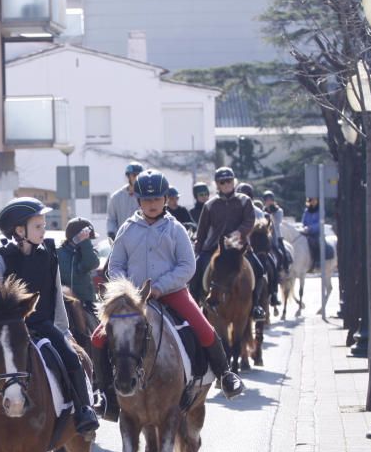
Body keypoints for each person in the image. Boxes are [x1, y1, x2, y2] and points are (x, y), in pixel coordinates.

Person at [92, 170, 245, 414]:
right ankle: (103, 391)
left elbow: (187, 266)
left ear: (165, 199)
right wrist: (128, 290)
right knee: (98, 338)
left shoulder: (176, 229)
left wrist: (160, 287)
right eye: (147, 200)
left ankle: (225, 375)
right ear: (138, 201)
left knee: (204, 329)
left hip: (172, 292)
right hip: (133, 298)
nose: (152, 204)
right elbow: (116, 264)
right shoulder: (126, 229)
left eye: (156, 199)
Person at [0, 197, 100, 435]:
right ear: (20, 230)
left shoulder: (49, 254)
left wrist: (64, 330)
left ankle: (84, 410)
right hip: (11, 331)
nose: (44, 230)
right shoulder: (2, 260)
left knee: (72, 359)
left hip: (44, 325)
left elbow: (57, 294)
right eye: (38, 226)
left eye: (44, 225)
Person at [190, 167, 268, 322]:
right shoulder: (210, 205)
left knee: (259, 270)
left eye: (229, 181)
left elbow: (249, 221)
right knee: (196, 271)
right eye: (222, 182)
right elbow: (202, 230)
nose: (226, 184)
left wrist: (239, 232)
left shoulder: (245, 201)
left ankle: (256, 306)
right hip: (214, 247)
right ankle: (194, 308)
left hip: (239, 247)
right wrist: (198, 251)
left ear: (234, 182)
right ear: (217, 184)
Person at [57, 216, 101, 314]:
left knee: (96, 327)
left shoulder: (88, 252)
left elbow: (91, 264)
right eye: (88, 239)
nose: (89, 241)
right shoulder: (57, 253)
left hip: (85, 303)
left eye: (89, 239)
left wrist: (85, 242)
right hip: (61, 302)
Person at [107, 162, 145, 240]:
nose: (137, 178)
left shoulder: (146, 197)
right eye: (134, 175)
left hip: (142, 239)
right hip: (122, 239)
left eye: (139, 175)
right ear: (128, 176)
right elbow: (111, 219)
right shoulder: (116, 197)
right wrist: (111, 233)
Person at [263, 190, 292, 271]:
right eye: (267, 200)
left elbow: (277, 222)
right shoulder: (263, 210)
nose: (268, 201)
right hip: (267, 235)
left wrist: (270, 213)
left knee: (281, 251)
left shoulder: (279, 211)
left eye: (270, 200)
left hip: (277, 235)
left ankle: (286, 267)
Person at [302, 197, 323, 270]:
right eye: (312, 200)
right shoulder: (307, 211)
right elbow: (304, 221)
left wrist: (310, 228)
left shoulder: (320, 210)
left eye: (315, 200)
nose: (313, 201)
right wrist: (304, 227)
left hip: (316, 233)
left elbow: (320, 224)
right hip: (307, 232)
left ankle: (317, 262)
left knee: (315, 243)